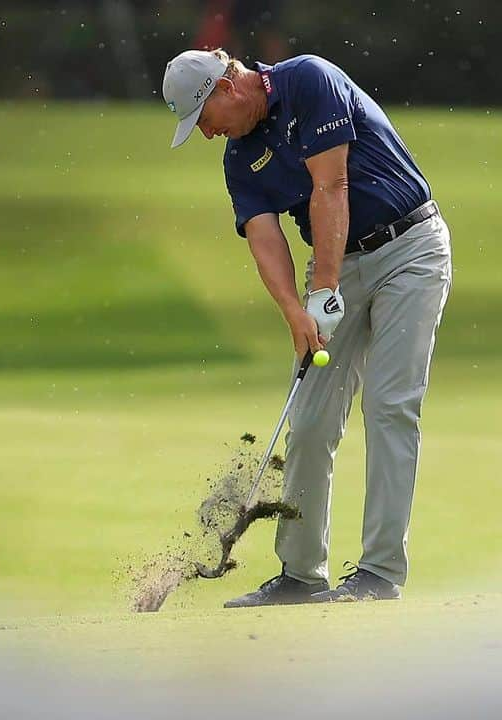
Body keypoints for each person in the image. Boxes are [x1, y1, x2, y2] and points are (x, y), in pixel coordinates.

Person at [162, 49, 452, 606]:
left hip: (410, 249)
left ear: (226, 86)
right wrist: (296, 312)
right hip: (337, 269)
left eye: (203, 119)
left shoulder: (308, 80)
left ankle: (379, 572)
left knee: (390, 405)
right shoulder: (238, 157)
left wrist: (320, 290)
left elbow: (332, 187)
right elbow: (264, 236)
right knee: (312, 419)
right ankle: (299, 575)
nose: (205, 135)